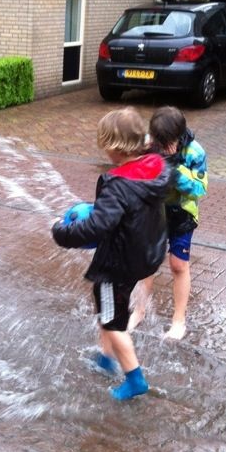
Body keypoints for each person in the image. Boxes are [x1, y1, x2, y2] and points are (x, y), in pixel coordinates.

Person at [52, 107, 171, 401]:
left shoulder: (117, 185)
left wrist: (62, 233)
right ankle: (105, 358)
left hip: (117, 264)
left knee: (113, 321)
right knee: (111, 309)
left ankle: (134, 379)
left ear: (115, 148)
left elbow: (97, 226)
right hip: (146, 254)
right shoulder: (156, 168)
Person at [128, 106, 208, 340]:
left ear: (179, 136)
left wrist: (174, 169)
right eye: (158, 142)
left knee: (178, 265)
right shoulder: (148, 144)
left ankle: (178, 321)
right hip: (154, 211)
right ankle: (139, 311)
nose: (162, 148)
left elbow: (199, 189)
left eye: (167, 144)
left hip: (182, 213)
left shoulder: (195, 152)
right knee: (147, 261)